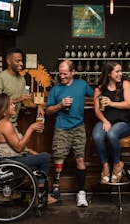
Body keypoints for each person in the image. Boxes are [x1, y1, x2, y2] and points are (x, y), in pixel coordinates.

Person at [0, 93, 56, 204]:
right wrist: (31, 128)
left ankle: (32, 193)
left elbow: (9, 144)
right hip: (9, 161)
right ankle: (39, 195)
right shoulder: (5, 125)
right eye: (10, 104)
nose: (14, 106)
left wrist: (29, 150)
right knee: (45, 157)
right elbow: (18, 147)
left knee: (39, 157)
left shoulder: (2, 123)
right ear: (3, 110)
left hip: (9, 158)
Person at [46, 60, 94, 207]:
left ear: (73, 72)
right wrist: (60, 105)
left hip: (79, 127)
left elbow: (95, 95)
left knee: (80, 159)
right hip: (61, 127)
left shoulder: (82, 85)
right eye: (60, 73)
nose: (62, 76)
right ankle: (55, 187)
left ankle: (81, 193)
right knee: (59, 157)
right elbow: (48, 111)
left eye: (65, 73)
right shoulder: (55, 89)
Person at [92, 61, 130, 184]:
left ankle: (117, 163)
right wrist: (104, 121)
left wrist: (111, 103)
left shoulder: (125, 84)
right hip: (106, 120)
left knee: (112, 134)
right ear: (109, 73)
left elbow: (128, 104)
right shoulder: (99, 88)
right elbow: (97, 110)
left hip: (123, 121)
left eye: (120, 71)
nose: (120, 74)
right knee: (97, 136)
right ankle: (105, 166)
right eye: (117, 71)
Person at [0, 47, 44, 127]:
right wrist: (17, 99)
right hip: (0, 124)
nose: (21, 63)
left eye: (21, 61)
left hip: (13, 123)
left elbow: (26, 102)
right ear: (9, 61)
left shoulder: (22, 79)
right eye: (17, 61)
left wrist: (38, 107)